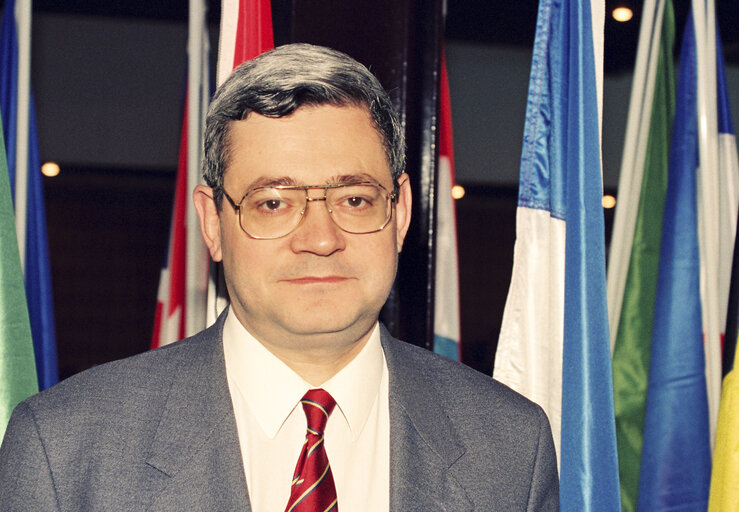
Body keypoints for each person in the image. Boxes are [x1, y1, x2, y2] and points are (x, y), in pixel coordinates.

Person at [0, 43, 559, 511]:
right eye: (272, 203)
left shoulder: (510, 449)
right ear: (213, 223)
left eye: (355, 198)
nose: (320, 238)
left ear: (401, 213)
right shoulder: (65, 450)